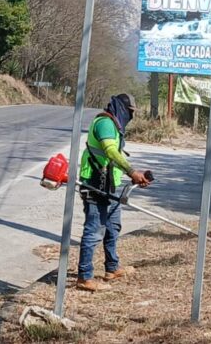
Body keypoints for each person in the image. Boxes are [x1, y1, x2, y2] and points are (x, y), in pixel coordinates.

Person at [76, 93, 151, 292]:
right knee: (94, 230)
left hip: (110, 184)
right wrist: (132, 172)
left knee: (112, 227)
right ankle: (84, 277)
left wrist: (132, 176)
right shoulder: (105, 123)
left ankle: (112, 267)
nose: (131, 115)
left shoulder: (115, 125)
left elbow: (113, 157)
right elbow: (110, 151)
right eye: (130, 111)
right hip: (95, 183)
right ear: (121, 108)